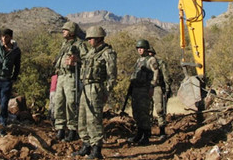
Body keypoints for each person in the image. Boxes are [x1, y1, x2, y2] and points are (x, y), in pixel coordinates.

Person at [72, 26, 117, 159]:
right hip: (85, 87)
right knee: (82, 118)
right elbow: (85, 64)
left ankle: (96, 148)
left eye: (91, 38)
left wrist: (106, 91)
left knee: (94, 119)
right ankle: (86, 145)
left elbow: (112, 75)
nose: (89, 41)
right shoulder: (91, 52)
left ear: (98, 38)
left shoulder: (108, 53)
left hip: (96, 88)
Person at [53, 21, 88, 142]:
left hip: (71, 76)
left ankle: (72, 130)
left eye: (66, 29)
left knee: (71, 103)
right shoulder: (64, 44)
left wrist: (76, 61)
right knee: (59, 102)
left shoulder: (79, 45)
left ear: (72, 32)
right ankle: (60, 128)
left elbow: (86, 60)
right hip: (61, 76)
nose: (63, 31)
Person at [127, 39, 159, 146]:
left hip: (145, 89)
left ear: (146, 49)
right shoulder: (138, 61)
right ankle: (139, 134)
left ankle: (146, 136)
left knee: (144, 113)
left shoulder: (151, 60)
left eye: (141, 48)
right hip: (136, 89)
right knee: (136, 112)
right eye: (138, 48)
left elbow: (155, 74)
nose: (140, 50)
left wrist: (152, 87)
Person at [0, 28, 21, 137]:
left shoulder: (16, 51)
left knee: (4, 104)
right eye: (2, 36)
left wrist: (13, 78)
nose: (3, 39)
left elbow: (17, 66)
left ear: (10, 38)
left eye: (6, 37)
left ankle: (2, 128)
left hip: (6, 80)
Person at [148, 47, 171, 140]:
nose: (149, 54)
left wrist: (167, 89)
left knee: (159, 110)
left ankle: (162, 131)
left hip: (157, 87)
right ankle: (147, 132)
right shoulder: (144, 62)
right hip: (147, 88)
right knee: (148, 110)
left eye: (150, 52)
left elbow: (166, 76)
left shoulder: (160, 63)